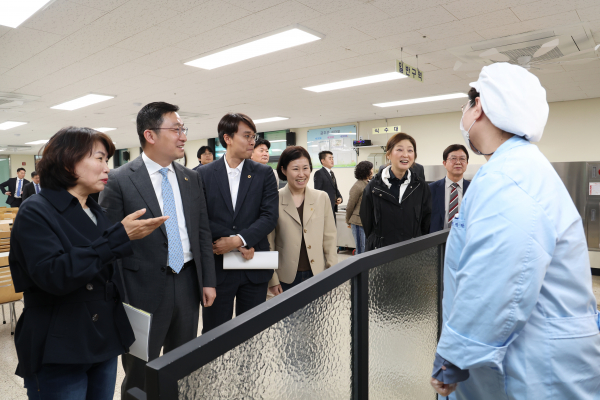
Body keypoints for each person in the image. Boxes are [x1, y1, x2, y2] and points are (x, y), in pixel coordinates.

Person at [430, 63, 600, 399]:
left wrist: (454, 356)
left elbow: (496, 280)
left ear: (480, 106)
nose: (464, 113)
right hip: (533, 354)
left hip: (532, 367)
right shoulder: (516, 168)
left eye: (467, 104)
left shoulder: (510, 177)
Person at [9, 127, 167, 400]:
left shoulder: (95, 210)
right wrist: (119, 236)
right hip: (60, 341)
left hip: (101, 337)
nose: (107, 167)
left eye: (107, 160)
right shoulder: (35, 210)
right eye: (100, 158)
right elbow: (54, 275)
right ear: (68, 161)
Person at [99, 102, 217, 398]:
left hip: (188, 283)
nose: (183, 136)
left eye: (183, 129)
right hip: (140, 291)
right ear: (150, 135)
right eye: (176, 129)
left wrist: (208, 280)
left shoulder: (191, 177)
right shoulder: (119, 180)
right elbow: (107, 243)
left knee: (182, 367)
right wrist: (117, 298)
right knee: (140, 373)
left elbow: (202, 232)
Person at [198, 113, 278, 333]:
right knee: (215, 332)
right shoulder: (202, 175)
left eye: (254, 136)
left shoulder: (264, 174)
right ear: (228, 138)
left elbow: (269, 216)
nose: (252, 141)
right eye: (246, 136)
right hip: (217, 268)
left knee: (251, 332)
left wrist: (238, 240)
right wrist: (235, 240)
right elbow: (200, 218)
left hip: (253, 265)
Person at [267, 146, 337, 295]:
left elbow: (329, 237)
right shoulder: (274, 199)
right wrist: (272, 279)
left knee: (316, 318)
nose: (301, 174)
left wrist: (332, 272)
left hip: (317, 274)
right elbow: (269, 243)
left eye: (305, 168)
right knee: (289, 318)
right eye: (295, 169)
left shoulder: (321, 197)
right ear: (284, 170)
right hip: (285, 278)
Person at [360, 133, 431, 250]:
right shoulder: (374, 187)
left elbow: (426, 222)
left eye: (410, 150)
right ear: (388, 154)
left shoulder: (421, 187)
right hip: (381, 254)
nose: (405, 155)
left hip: (412, 254)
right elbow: (367, 223)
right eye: (399, 149)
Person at [429, 144, 471, 233]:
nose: (458, 162)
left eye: (462, 159)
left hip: (465, 241)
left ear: (467, 163)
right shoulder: (431, 189)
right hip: (437, 243)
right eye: (453, 158)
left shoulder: (473, 189)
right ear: (444, 163)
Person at [345, 161, 373, 254]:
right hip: (358, 222)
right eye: (371, 169)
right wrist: (348, 220)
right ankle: (360, 269)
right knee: (361, 249)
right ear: (366, 171)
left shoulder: (370, 184)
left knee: (366, 249)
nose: (373, 171)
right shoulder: (357, 186)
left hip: (366, 222)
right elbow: (350, 206)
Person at [313, 151, 342, 221]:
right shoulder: (319, 173)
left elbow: (335, 189)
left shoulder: (331, 173)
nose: (332, 160)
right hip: (325, 209)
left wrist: (340, 197)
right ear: (322, 161)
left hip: (333, 207)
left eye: (332, 158)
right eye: (330, 158)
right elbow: (318, 192)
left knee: (333, 230)